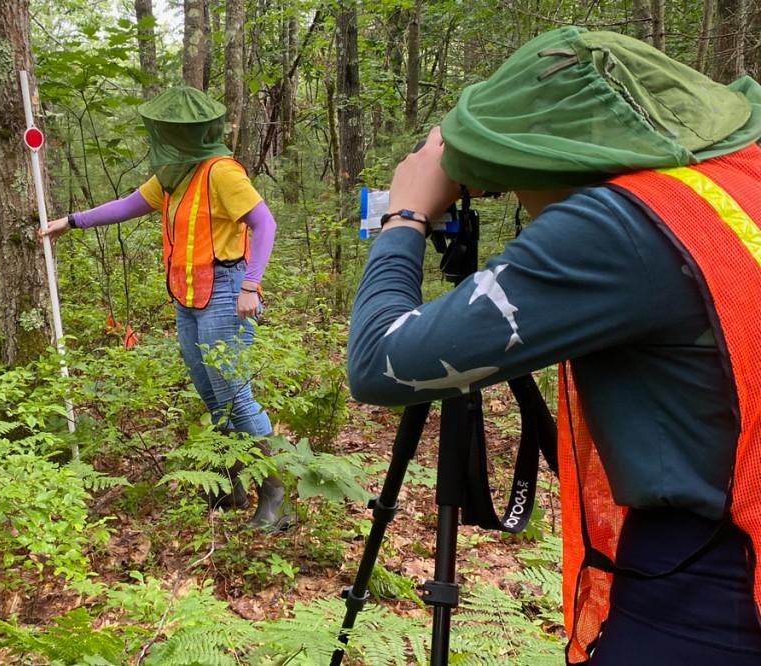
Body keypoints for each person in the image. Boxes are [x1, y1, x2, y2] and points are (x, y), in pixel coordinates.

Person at [347, 27, 761, 665]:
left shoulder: (622, 225)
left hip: (708, 592)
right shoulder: (734, 183)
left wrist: (404, 216)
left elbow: (378, 362)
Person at [40, 86, 293, 531]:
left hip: (226, 292)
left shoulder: (220, 172)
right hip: (187, 297)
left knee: (236, 396)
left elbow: (264, 222)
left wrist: (251, 286)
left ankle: (274, 494)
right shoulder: (174, 174)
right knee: (213, 395)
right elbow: (128, 205)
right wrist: (72, 221)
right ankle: (228, 481)